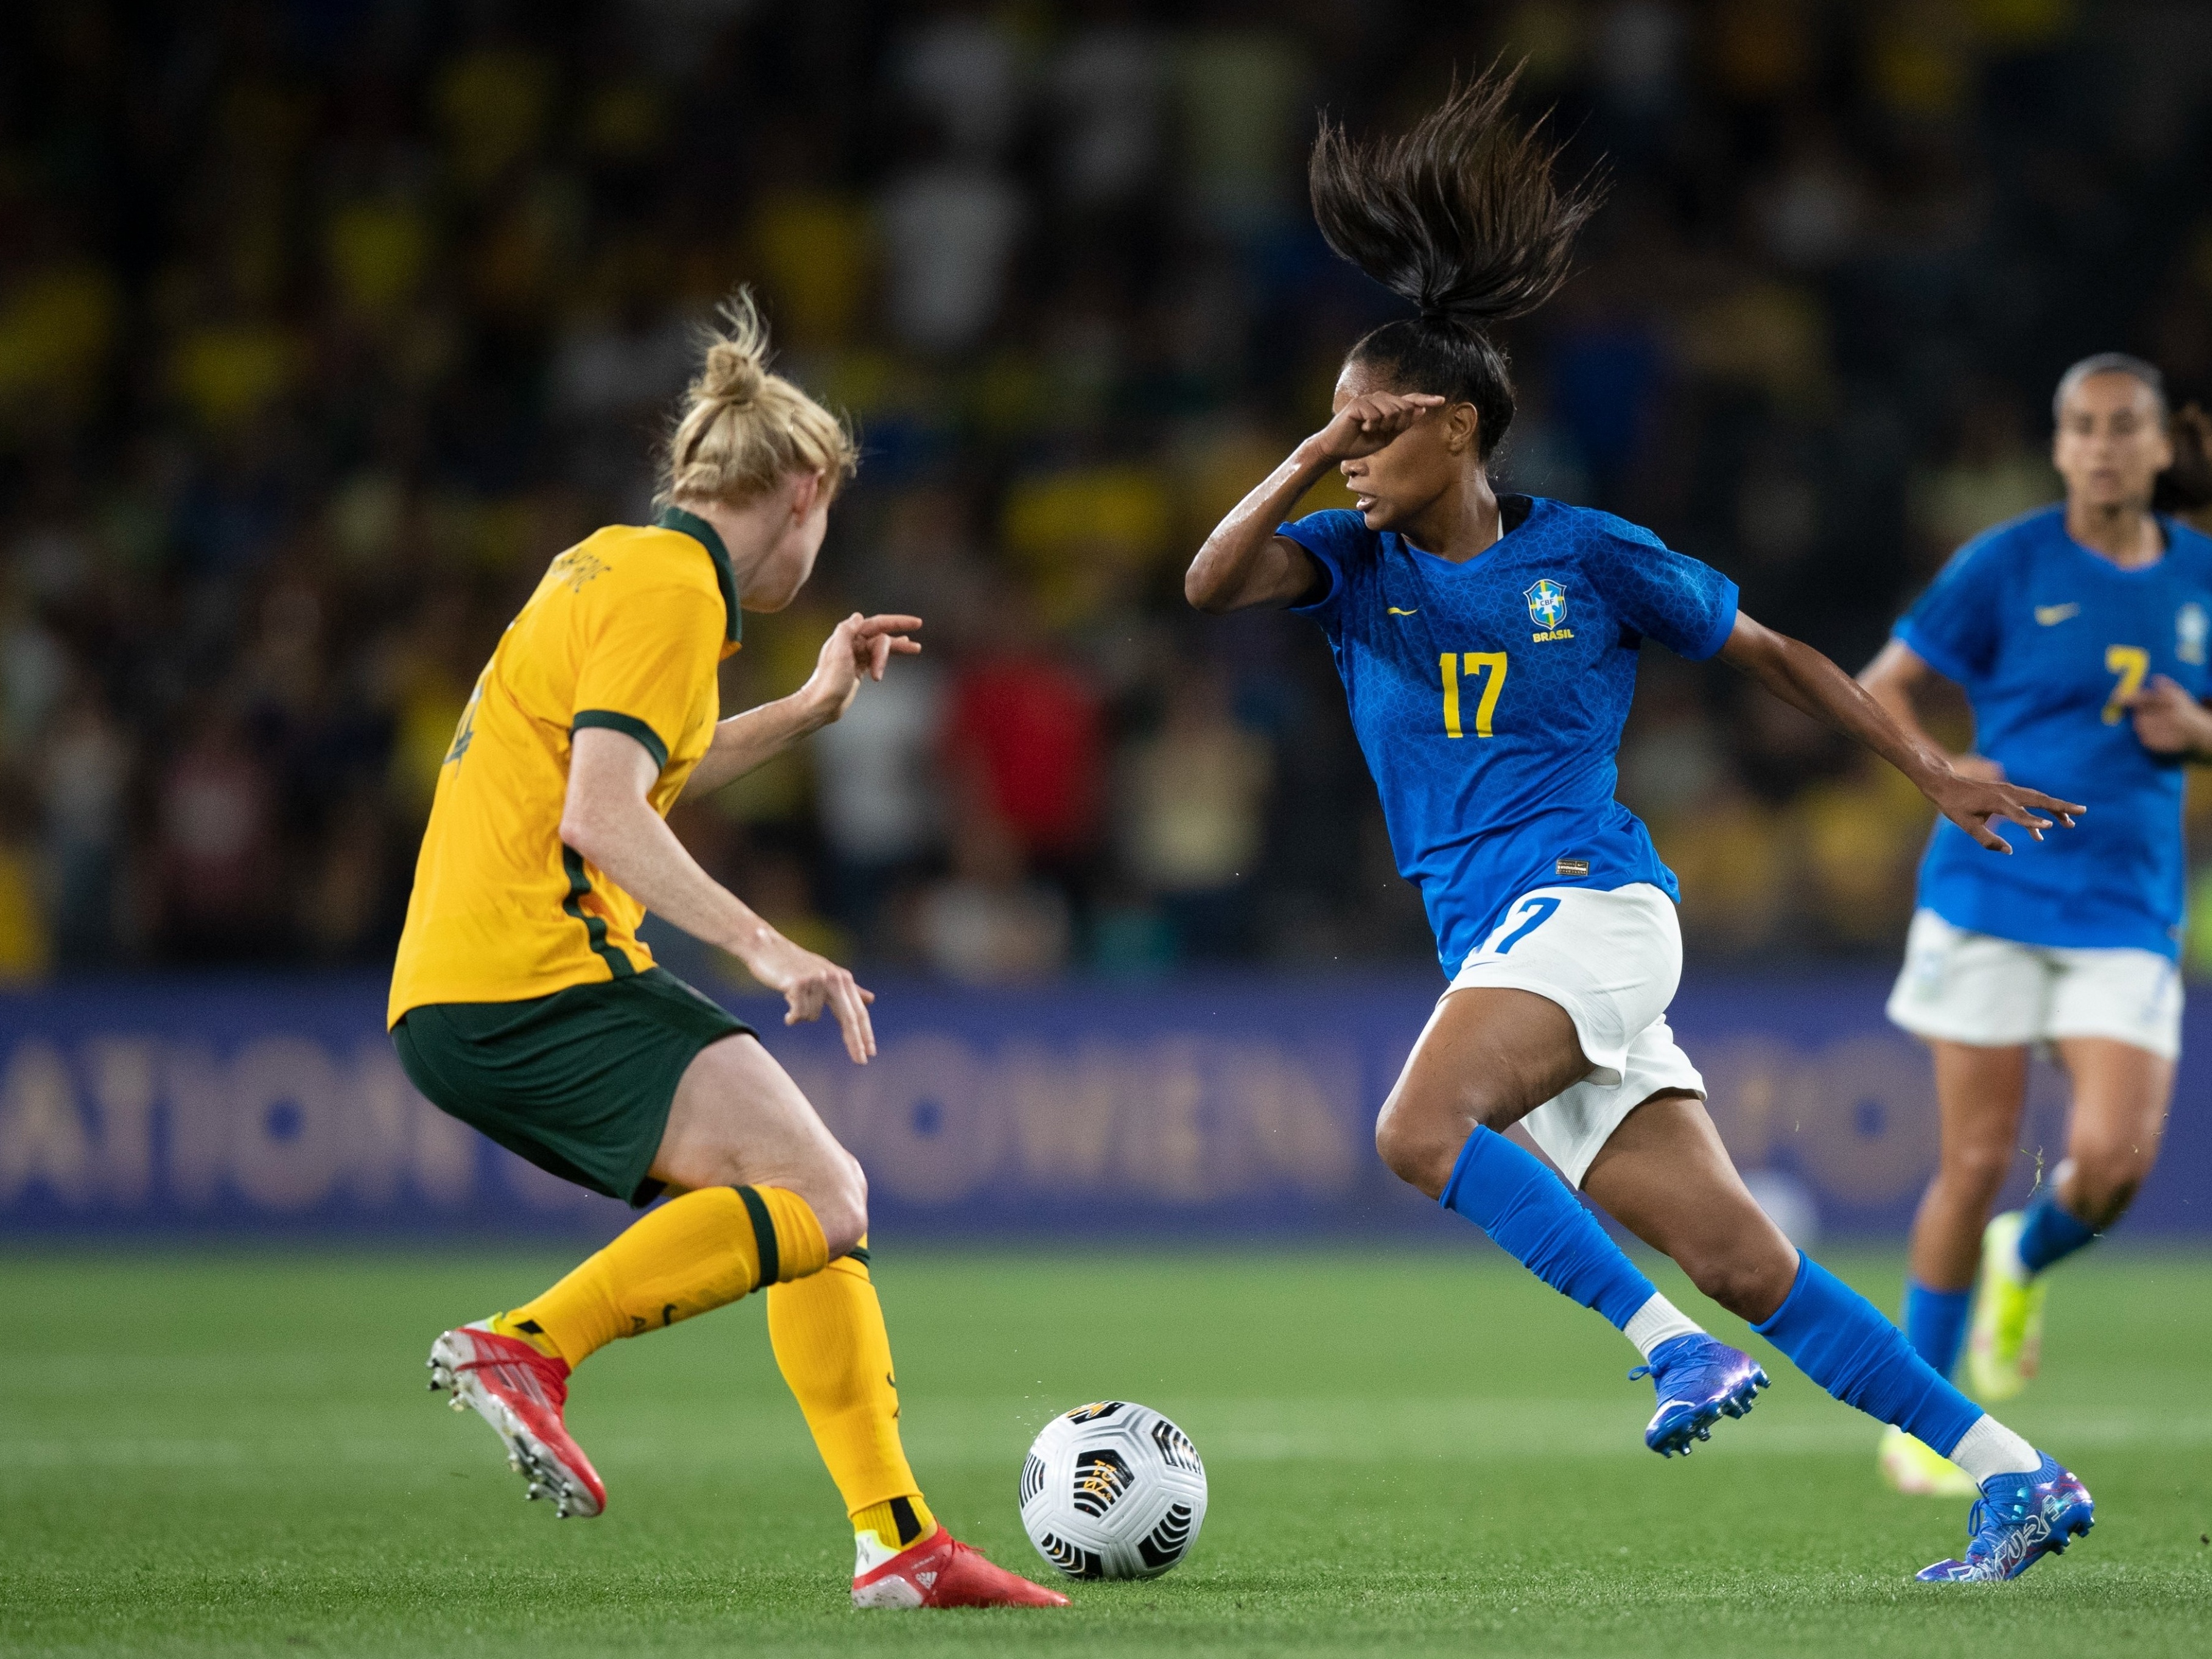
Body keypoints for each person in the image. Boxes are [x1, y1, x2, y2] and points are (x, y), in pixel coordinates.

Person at [1182, 68, 2094, 1584]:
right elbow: (1209, 584)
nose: (1343, 454)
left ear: (1456, 426)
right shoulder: (1343, 560)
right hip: (1502, 940)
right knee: (1747, 1260)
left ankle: (1666, 1352)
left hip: (1590, 909)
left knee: (1415, 1131)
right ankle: (2015, 1479)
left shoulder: (1589, 557)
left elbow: (1775, 658)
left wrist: (1924, 766)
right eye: (1332, 432)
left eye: (1367, 428)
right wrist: (1299, 456)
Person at [387, 292, 1065, 1612]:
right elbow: (600, 816)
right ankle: (527, 1349)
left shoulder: (608, 563)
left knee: (817, 1209)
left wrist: (808, 708)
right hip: (534, 973)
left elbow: (639, 773)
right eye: (831, 522)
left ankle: (900, 1544)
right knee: (823, 1192)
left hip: (468, 986)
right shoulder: (671, 589)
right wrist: (765, 946)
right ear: (803, 490)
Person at [1859, 359, 2212, 1497]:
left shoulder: (2202, 576)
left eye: (2123, 429)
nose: (2101, 447)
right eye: (2079, 429)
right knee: (1972, 1159)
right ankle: (1921, 1419)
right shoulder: (2004, 562)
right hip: (1992, 889)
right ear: (2056, 448)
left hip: (2124, 903)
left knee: (2109, 1163)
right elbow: (1883, 685)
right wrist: (1939, 766)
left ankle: (2030, 1255)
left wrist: (2197, 730)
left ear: (2162, 448)